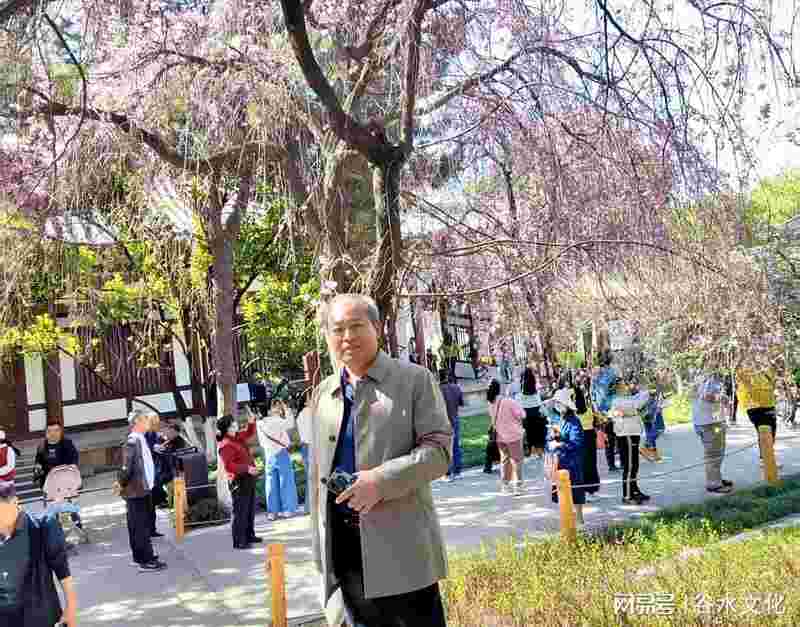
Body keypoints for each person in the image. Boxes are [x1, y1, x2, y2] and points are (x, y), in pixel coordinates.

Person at [309, 294, 452, 627]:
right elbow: (317, 475)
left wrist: (380, 481)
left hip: (403, 550)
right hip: (345, 553)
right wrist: (320, 554)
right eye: (337, 329)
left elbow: (439, 452)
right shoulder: (323, 394)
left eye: (356, 326)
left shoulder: (414, 380)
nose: (347, 337)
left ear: (377, 327)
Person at [0, 481, 78, 626]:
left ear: (14, 502)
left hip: (39, 616)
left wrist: (71, 608)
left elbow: (62, 570)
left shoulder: (43, 526)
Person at [117, 410, 167, 572]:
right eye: (145, 419)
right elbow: (125, 468)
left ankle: (141, 556)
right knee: (140, 527)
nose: (148, 422)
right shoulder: (132, 441)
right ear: (137, 422)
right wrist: (121, 483)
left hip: (143, 488)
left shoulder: (140, 439)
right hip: (136, 490)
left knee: (140, 525)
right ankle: (146, 560)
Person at [33, 423, 87, 540]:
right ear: (46, 433)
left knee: (70, 508)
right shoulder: (41, 446)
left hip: (66, 484)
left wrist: (69, 469)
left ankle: (78, 528)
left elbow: (74, 460)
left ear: (61, 432)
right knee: (52, 511)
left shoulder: (67, 443)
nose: (53, 433)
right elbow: (38, 462)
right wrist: (37, 469)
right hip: (49, 484)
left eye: (56, 430)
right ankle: (56, 534)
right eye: (50, 431)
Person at [217, 413, 262, 549]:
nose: (236, 424)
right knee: (240, 511)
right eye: (233, 423)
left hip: (248, 477)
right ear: (228, 428)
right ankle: (239, 541)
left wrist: (251, 422)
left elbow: (249, 433)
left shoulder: (236, 437)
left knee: (249, 509)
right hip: (239, 480)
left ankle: (249, 535)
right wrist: (247, 468)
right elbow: (229, 466)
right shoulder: (225, 444)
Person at [545, 388, 586, 526]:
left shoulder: (574, 421)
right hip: (560, 462)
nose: (557, 405)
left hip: (572, 462)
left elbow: (577, 442)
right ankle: (566, 518)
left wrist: (560, 444)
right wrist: (553, 437)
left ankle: (579, 519)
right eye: (556, 402)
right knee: (562, 493)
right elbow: (552, 438)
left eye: (559, 402)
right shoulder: (559, 419)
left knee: (576, 491)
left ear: (566, 405)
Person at [608, 379, 651, 505]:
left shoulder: (627, 398)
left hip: (632, 432)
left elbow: (638, 403)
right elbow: (637, 405)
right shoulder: (618, 400)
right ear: (618, 388)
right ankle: (627, 495)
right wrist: (646, 392)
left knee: (634, 464)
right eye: (624, 384)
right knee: (630, 465)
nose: (627, 386)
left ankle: (634, 490)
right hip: (627, 433)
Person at [256, 399, 300, 521]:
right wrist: (287, 409)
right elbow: (290, 423)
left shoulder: (259, 423)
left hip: (268, 454)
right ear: (269, 410)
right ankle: (287, 510)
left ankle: (272, 512)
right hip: (281, 453)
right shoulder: (276, 420)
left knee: (271, 483)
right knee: (285, 481)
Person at [692, 372, 734, 494]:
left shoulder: (703, 376)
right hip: (710, 423)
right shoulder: (707, 377)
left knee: (717, 452)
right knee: (714, 453)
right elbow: (706, 396)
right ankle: (714, 484)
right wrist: (723, 399)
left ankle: (716, 478)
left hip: (711, 422)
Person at [487, 378, 526, 495]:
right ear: (499, 389)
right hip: (513, 435)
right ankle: (518, 486)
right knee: (517, 460)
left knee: (505, 460)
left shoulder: (490, 403)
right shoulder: (508, 401)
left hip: (499, 436)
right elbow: (522, 415)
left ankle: (505, 485)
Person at [736, 367, 779, 467]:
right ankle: (765, 459)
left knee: (771, 432)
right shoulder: (746, 369)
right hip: (754, 406)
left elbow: (773, 384)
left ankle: (766, 457)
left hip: (769, 404)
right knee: (764, 430)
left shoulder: (767, 369)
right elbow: (741, 377)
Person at [574, 383, 600, 497]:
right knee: (591, 463)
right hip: (590, 436)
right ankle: (592, 490)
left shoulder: (573, 412)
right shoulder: (589, 410)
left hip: (578, 436)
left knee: (581, 464)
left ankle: (582, 490)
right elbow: (596, 421)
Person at [439, 370, 465, 481]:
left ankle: (447, 473)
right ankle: (457, 471)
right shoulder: (456, 388)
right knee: (456, 445)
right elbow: (461, 403)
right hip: (454, 418)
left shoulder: (437, 389)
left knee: (444, 448)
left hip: (442, 421)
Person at [144, 413, 168, 529]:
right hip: (148, 469)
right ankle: (149, 528)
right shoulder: (145, 433)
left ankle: (152, 528)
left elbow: (156, 444)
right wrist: (154, 447)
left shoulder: (154, 433)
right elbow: (145, 449)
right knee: (150, 501)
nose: (157, 425)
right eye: (155, 423)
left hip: (155, 465)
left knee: (152, 501)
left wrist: (160, 444)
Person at [519, 365, 545, 457]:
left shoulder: (521, 395)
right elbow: (541, 408)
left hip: (526, 420)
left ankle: (530, 452)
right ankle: (539, 453)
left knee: (529, 437)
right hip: (537, 419)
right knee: (538, 437)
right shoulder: (536, 394)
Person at [294, 396, 314, 515]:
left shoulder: (300, 415)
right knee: (313, 477)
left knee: (309, 477)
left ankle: (308, 507)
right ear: (306, 402)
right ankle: (310, 507)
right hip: (311, 446)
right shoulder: (309, 412)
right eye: (311, 398)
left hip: (305, 447)